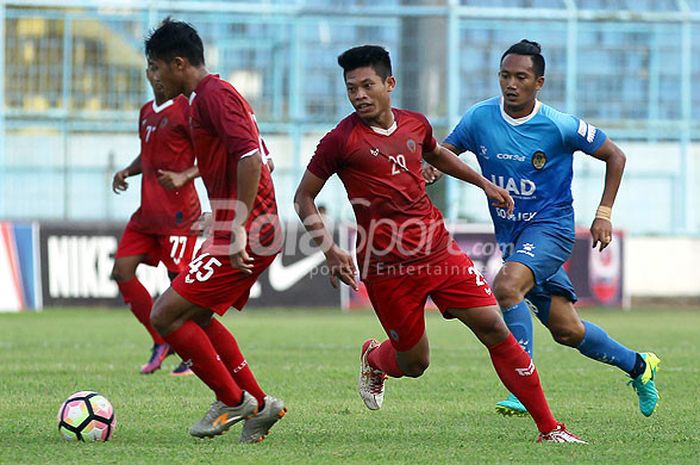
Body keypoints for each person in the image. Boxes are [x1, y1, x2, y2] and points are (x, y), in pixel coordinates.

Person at [294, 44, 585, 443]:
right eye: (351, 88)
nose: (359, 95)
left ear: (389, 84)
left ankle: (550, 428)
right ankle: (376, 359)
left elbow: (439, 156)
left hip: (437, 250)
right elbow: (303, 197)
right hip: (386, 265)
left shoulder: (415, 123)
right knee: (415, 363)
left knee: (493, 327)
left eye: (367, 85)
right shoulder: (339, 141)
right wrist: (330, 248)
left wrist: (484, 183)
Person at [427, 39, 660, 417]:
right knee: (567, 330)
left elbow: (615, 155)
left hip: (552, 229)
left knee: (506, 286)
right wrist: (436, 164)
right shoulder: (479, 118)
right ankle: (639, 365)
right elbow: (447, 149)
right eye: (505, 75)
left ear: (539, 83)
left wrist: (603, 213)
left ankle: (522, 385)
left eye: (521, 77)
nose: (511, 84)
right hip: (513, 237)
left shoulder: (559, 125)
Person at [144, 18, 286, 443]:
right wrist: (220, 210)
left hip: (249, 231)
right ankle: (260, 406)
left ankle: (231, 398)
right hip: (241, 224)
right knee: (197, 316)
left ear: (179, 63)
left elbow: (251, 159)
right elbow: (262, 157)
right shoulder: (208, 98)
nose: (152, 77)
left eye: (155, 67)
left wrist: (238, 222)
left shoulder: (213, 97)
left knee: (165, 315)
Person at [112, 66, 200, 376]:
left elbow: (209, 154)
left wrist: (184, 175)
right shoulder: (147, 111)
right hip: (147, 214)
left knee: (181, 287)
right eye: (150, 68)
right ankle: (161, 340)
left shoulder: (187, 110)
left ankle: (192, 353)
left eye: (160, 67)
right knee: (121, 271)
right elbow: (148, 153)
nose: (155, 74)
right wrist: (127, 170)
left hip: (179, 216)